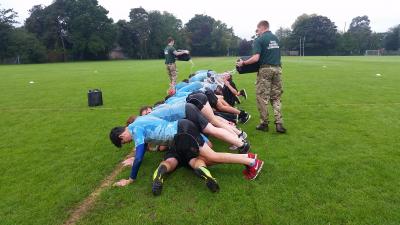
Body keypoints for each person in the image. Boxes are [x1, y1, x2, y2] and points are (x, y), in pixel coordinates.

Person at [109, 117, 264, 187]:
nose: (127, 142)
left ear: (121, 135)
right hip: (182, 128)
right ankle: (249, 158)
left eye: (124, 141)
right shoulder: (139, 121)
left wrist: (131, 179)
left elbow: (139, 156)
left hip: (182, 131)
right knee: (208, 157)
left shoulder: (135, 129)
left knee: (212, 156)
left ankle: (252, 162)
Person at [237, 20, 287, 133]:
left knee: (262, 97)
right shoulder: (276, 38)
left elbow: (256, 58)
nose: (257, 32)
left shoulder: (259, 40)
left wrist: (243, 63)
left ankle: (264, 124)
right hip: (278, 69)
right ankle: (279, 123)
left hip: (265, 70)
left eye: (258, 30)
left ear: (262, 27)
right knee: (276, 97)